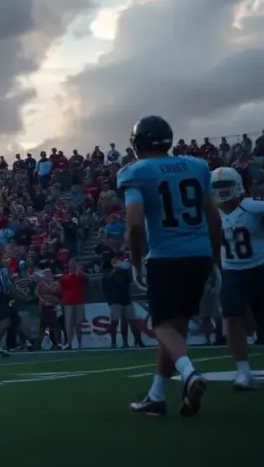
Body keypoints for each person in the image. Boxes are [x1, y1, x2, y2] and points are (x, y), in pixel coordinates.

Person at [122, 116, 220, 418]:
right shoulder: (198, 166)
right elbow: (213, 217)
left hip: (166, 256)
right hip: (200, 254)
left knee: (161, 325)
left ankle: (190, 375)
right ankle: (157, 396)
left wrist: (136, 261)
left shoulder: (136, 172)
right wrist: (215, 259)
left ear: (138, 144)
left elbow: (135, 222)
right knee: (175, 329)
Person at [210, 167, 264, 390]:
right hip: (232, 271)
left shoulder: (253, 208)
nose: (221, 191)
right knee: (232, 318)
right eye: (217, 187)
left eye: (225, 186)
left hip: (260, 268)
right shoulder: (211, 214)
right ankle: (243, 372)